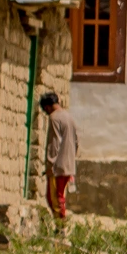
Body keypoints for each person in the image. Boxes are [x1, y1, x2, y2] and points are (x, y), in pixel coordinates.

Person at [40, 89, 79, 225]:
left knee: (54, 199)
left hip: (58, 167)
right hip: (68, 166)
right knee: (61, 197)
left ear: (47, 107)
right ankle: (61, 226)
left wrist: (50, 164)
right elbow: (76, 143)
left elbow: (54, 142)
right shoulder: (69, 118)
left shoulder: (54, 118)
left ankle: (61, 227)